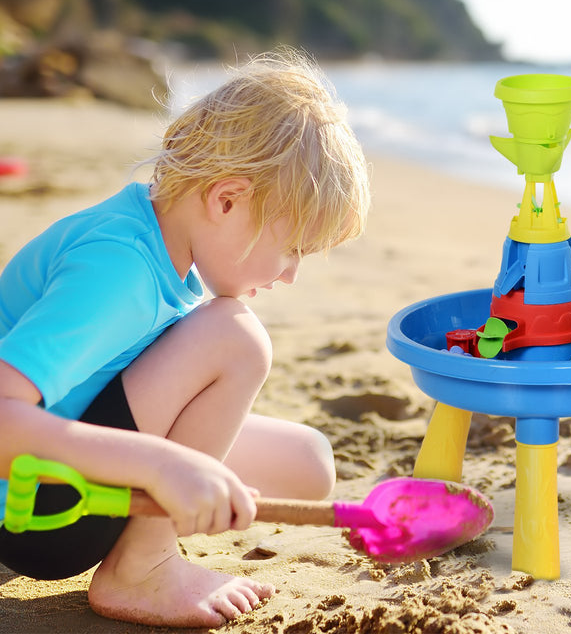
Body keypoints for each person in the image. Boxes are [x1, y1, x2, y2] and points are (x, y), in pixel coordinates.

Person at [0, 49, 371, 627]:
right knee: (235, 337)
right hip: (32, 511)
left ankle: (145, 536)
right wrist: (159, 466)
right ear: (227, 200)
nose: (291, 274)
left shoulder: (163, 246)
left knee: (309, 465)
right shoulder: (118, 271)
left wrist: (177, 464)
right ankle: (141, 567)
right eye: (293, 248)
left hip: (64, 452)